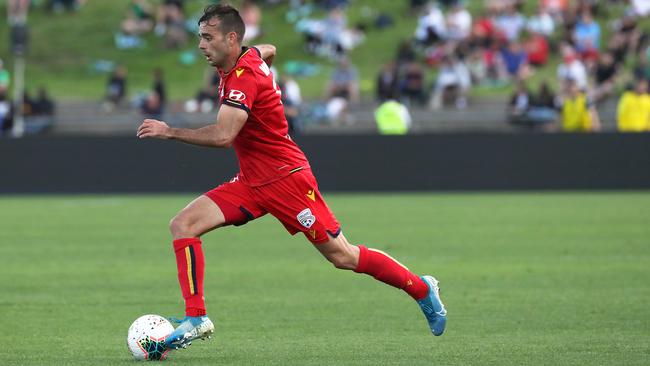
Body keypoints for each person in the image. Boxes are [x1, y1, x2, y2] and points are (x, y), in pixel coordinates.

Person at [137, 4, 446, 350]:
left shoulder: (243, 77)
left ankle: (422, 288)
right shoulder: (249, 57)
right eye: (200, 38)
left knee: (343, 256)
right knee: (183, 225)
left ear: (231, 38)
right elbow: (268, 49)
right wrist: (265, 73)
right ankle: (196, 317)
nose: (201, 46)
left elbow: (224, 136)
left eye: (208, 38)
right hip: (253, 182)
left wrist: (170, 131)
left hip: (287, 180)